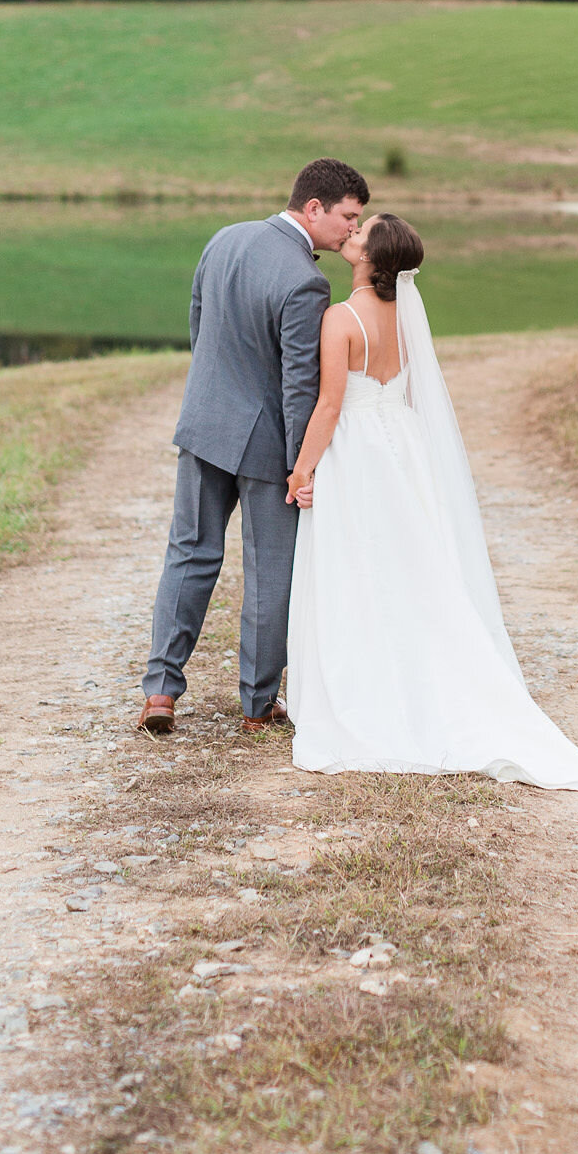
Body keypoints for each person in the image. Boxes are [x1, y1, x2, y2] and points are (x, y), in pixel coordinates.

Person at [285, 212, 578, 791]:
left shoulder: (340, 319)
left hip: (356, 453)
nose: (351, 234)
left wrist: (301, 470)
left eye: (362, 232)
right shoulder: (407, 318)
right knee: (412, 569)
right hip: (401, 446)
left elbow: (329, 406)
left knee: (357, 568)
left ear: (373, 258)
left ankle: (368, 689)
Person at [139, 157, 370, 737]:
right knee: (270, 573)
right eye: (347, 217)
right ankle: (257, 703)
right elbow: (300, 385)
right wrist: (302, 466)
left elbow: (199, 325)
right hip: (266, 445)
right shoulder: (306, 281)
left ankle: (160, 692)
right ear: (313, 208)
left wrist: (213, 396)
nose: (351, 230)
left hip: (204, 425)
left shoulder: (224, 238)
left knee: (189, 554)